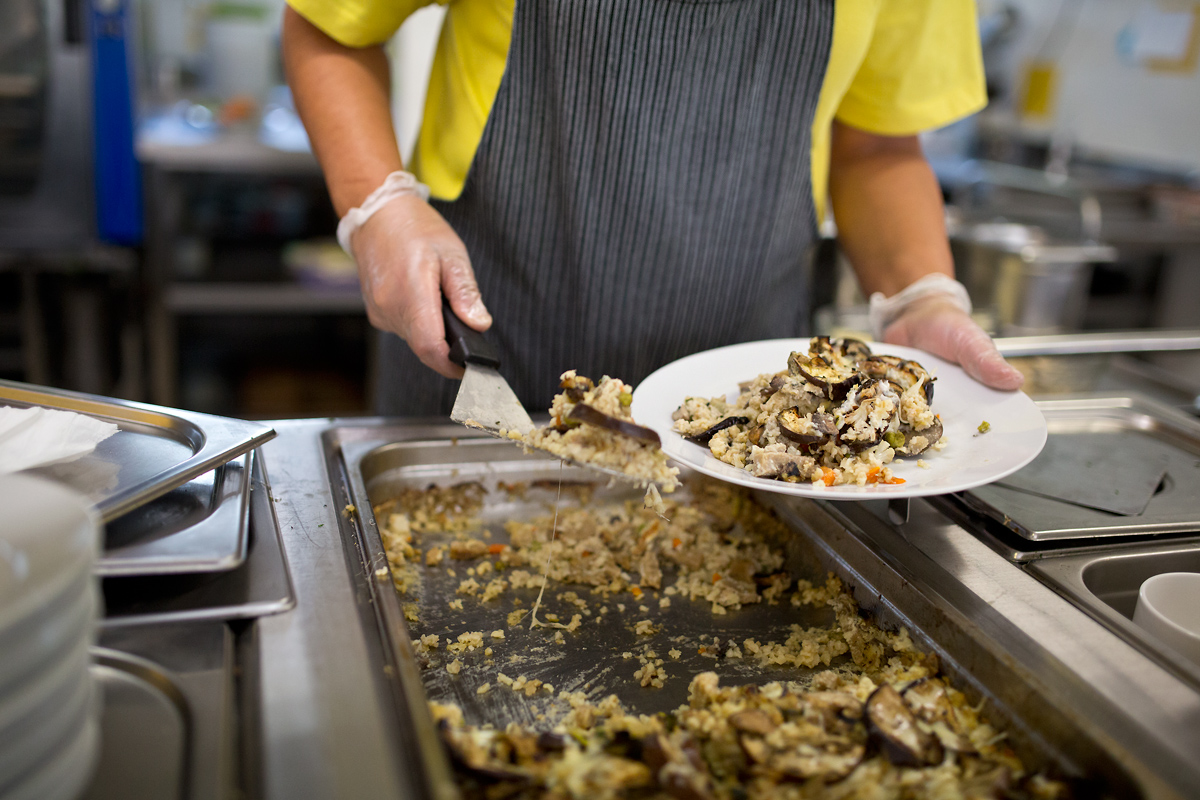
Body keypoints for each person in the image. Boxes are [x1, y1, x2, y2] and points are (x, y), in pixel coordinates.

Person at [283, 0, 1025, 416]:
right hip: (487, 362)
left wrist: (921, 294)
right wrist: (377, 206)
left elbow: (876, 146)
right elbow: (329, 23)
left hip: (747, 412)